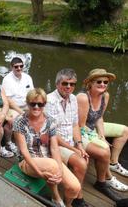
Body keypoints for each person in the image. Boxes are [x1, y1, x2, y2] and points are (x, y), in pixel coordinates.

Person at [14, 88, 80, 207]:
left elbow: (54, 149)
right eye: (32, 104)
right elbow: (24, 151)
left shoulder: (50, 121)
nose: (36, 107)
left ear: (44, 104)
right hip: (28, 161)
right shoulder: (20, 121)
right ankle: (56, 198)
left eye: (40, 104)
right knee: (52, 165)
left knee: (75, 187)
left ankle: (68, 204)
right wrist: (39, 173)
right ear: (27, 103)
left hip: (49, 160)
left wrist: (60, 170)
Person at [77, 69, 128, 193]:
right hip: (81, 130)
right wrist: (100, 139)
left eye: (105, 82)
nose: (103, 84)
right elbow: (81, 125)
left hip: (93, 127)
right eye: (99, 81)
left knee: (125, 131)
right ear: (90, 83)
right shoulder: (83, 97)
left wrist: (101, 135)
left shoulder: (105, 95)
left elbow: (99, 116)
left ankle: (113, 163)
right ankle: (108, 178)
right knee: (104, 149)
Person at [45, 69, 89, 207]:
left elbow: (75, 125)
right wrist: (73, 149)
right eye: (65, 83)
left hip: (70, 142)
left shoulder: (74, 99)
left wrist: (80, 145)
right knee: (81, 163)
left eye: (72, 84)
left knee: (87, 155)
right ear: (57, 84)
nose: (69, 87)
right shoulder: (49, 101)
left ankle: (75, 195)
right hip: (55, 144)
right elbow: (51, 134)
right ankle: (74, 200)